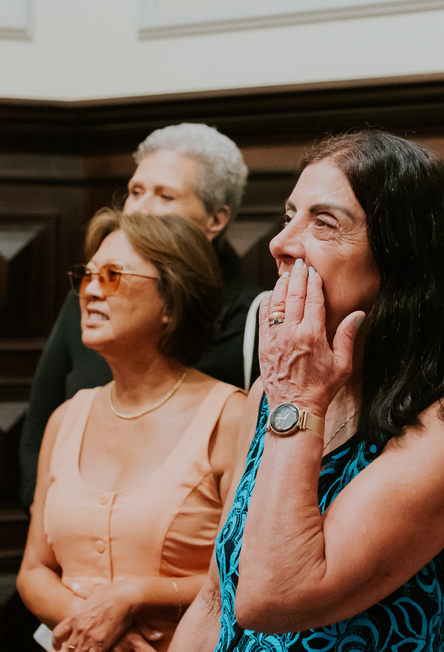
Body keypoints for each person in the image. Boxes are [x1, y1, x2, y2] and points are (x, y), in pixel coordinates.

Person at [168, 131, 444, 652]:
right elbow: (217, 599)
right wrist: (290, 396)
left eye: (322, 223)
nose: (281, 243)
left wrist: (298, 400)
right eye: (289, 214)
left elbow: (273, 597)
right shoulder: (269, 399)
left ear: (401, 261)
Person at [17, 210, 246, 652]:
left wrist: (133, 596)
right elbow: (33, 571)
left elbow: (245, 575)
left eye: (113, 275)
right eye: (86, 276)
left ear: (172, 304)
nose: (90, 291)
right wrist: (98, 628)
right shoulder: (67, 417)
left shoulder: (229, 417)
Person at [20, 123, 262, 509]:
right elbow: (41, 418)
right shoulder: (92, 294)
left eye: (165, 195)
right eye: (135, 191)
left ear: (215, 220)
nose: (141, 207)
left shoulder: (253, 318)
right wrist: (46, 518)